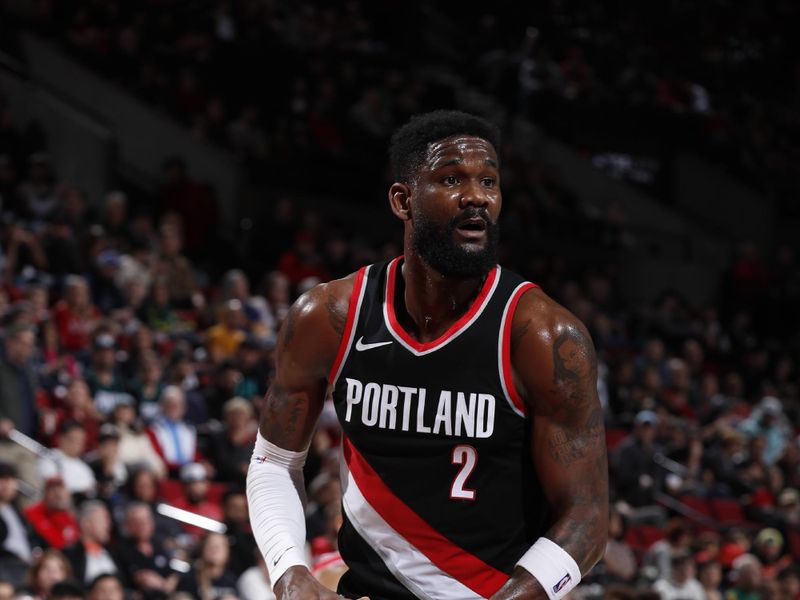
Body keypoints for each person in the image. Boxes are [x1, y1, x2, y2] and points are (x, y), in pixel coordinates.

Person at [246, 110, 608, 600]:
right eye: (452, 178)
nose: (477, 196)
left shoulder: (543, 336)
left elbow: (587, 515)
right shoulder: (329, 317)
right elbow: (273, 462)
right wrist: (289, 572)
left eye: (489, 181)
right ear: (403, 200)